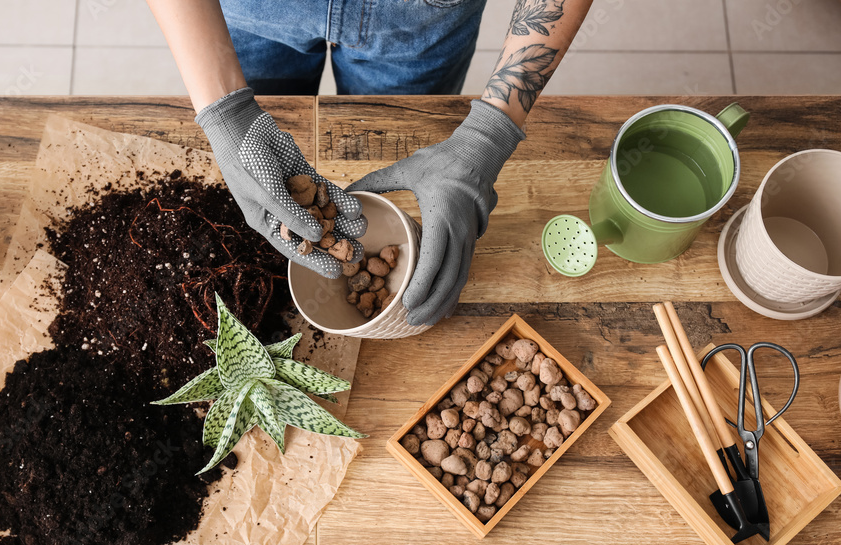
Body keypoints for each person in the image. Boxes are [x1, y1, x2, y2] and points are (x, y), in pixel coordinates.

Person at [147, 0, 593, 325]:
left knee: (396, 130)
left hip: (421, 23)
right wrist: (226, 112)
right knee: (268, 173)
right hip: (248, 13)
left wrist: (489, 134)